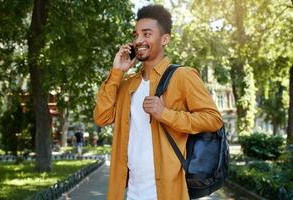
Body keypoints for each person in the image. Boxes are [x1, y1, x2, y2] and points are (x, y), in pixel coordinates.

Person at [93, 4, 223, 200]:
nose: (139, 40)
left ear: (165, 39)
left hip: (167, 193)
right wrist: (117, 72)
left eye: (146, 34)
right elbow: (102, 118)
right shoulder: (128, 84)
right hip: (130, 193)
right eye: (136, 35)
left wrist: (165, 114)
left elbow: (213, 120)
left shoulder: (183, 76)